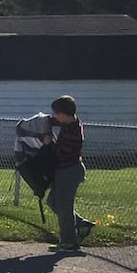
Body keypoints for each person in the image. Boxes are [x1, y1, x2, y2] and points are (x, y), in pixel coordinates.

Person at [44, 94, 93, 252]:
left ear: (64, 114)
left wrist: (49, 143)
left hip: (69, 171)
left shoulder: (73, 131)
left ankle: (69, 242)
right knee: (53, 202)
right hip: (64, 170)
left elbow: (61, 152)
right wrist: (41, 121)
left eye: (56, 113)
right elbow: (52, 121)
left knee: (64, 206)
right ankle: (82, 224)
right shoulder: (68, 124)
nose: (54, 117)